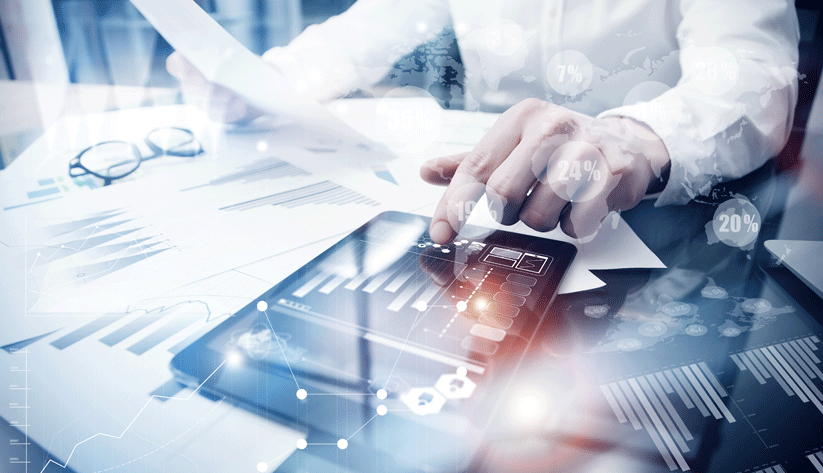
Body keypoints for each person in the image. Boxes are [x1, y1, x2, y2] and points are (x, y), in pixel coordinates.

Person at [166, 0, 799, 243]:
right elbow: (359, 35)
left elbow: (754, 74)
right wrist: (267, 85)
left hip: (664, 220)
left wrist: (632, 135)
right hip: (487, 210)